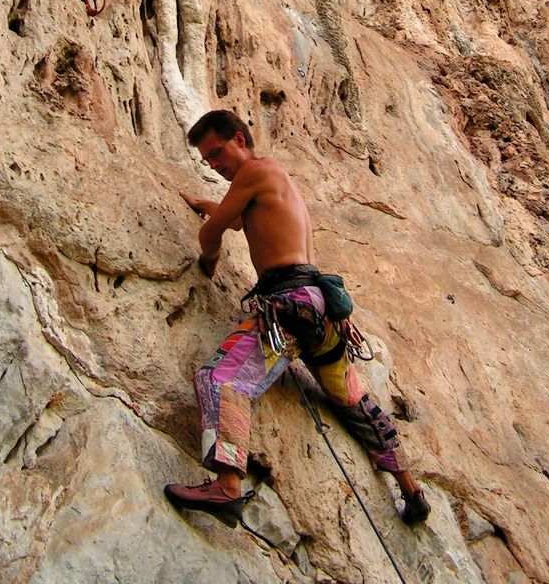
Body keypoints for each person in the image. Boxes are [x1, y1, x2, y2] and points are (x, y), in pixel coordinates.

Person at [164, 109, 430, 528]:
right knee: (353, 399)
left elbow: (213, 233)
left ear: (239, 139)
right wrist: (205, 204)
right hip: (321, 310)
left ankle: (227, 486)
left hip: (286, 303)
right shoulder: (271, 181)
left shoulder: (252, 171)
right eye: (206, 161)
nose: (213, 165)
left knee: (221, 379)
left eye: (215, 153)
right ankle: (411, 490)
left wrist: (207, 262)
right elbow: (236, 220)